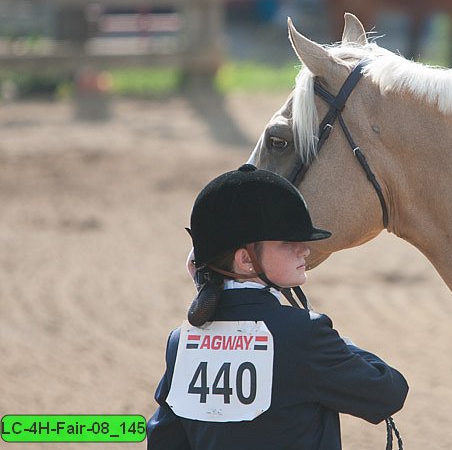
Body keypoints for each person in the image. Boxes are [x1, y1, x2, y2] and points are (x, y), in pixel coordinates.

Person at [147, 164, 408, 449]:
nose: (304, 250)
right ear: (246, 260)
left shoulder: (182, 341)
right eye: (287, 242)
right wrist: (331, 338)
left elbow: (164, 440)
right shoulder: (303, 333)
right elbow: (387, 391)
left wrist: (210, 288)